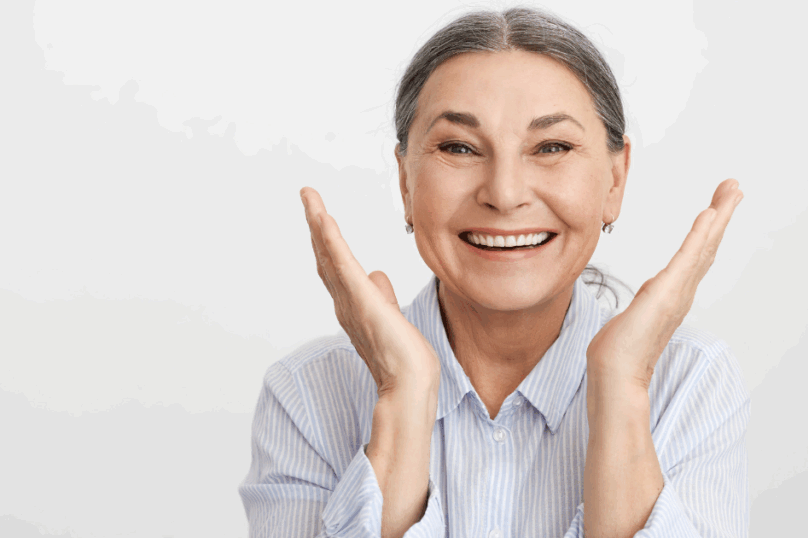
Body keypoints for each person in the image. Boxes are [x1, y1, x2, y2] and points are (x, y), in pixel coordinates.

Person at [239, 7, 748, 538]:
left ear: (615, 180)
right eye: (459, 147)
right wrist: (403, 395)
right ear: (405, 182)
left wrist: (622, 386)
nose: (504, 194)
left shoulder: (691, 382)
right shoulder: (308, 393)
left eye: (552, 147)